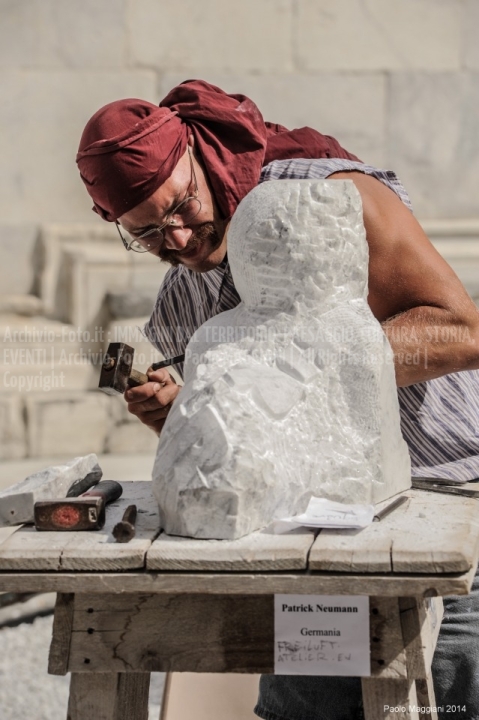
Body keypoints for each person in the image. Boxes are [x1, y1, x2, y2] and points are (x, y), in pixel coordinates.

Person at [77, 79, 479, 720]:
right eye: (147, 235)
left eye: (181, 207)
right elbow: (237, 451)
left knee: (452, 696)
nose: (177, 241)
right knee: (305, 708)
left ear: (201, 155)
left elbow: (463, 330)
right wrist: (189, 413)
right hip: (314, 541)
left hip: (441, 495)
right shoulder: (189, 288)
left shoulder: (325, 197)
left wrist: (272, 375)